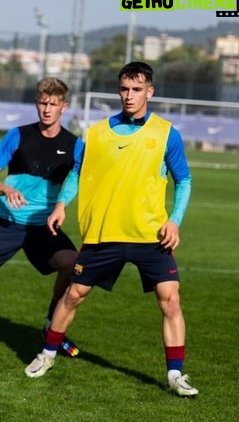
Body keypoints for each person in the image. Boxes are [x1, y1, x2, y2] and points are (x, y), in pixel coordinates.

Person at [24, 62, 198, 398]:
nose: (129, 96)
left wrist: (174, 219)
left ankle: (175, 374)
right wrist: (61, 204)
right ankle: (47, 353)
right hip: (105, 232)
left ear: (150, 91)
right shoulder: (99, 132)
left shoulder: (166, 133)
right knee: (73, 294)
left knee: (170, 300)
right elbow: (77, 172)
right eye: (124, 89)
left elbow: (184, 180)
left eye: (137, 89)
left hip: (150, 234)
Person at [0, 77, 83, 358]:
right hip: (7, 220)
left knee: (73, 265)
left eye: (53, 104)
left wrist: (61, 205)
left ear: (63, 107)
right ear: (36, 103)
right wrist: (5, 188)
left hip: (43, 226)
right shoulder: (18, 136)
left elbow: (76, 180)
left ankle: (51, 323)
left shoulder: (75, 145)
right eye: (43, 103)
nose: (47, 109)